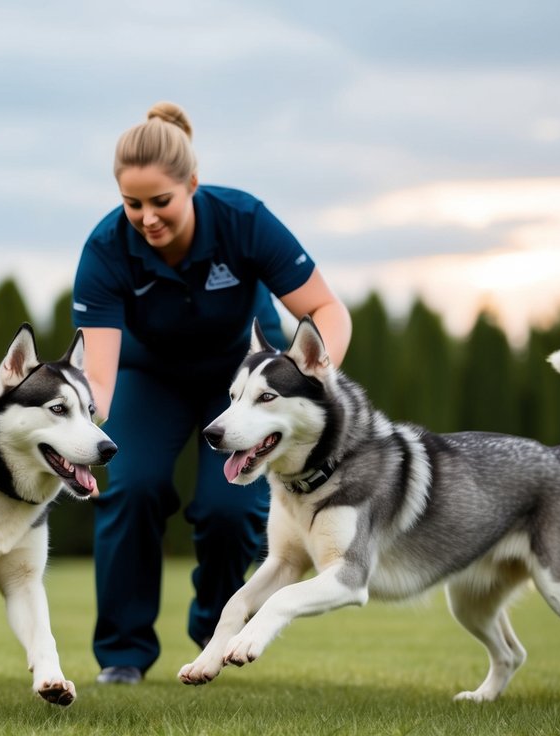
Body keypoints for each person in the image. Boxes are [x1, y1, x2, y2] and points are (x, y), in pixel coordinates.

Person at [72, 102, 352, 684]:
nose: (146, 218)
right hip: (150, 379)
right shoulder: (104, 251)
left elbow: (327, 308)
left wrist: (315, 378)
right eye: (132, 204)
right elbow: (98, 380)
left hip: (246, 378)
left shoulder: (244, 220)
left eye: (161, 202)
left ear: (192, 186)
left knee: (231, 507)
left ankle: (214, 638)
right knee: (132, 486)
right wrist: (76, 429)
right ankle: (123, 655)